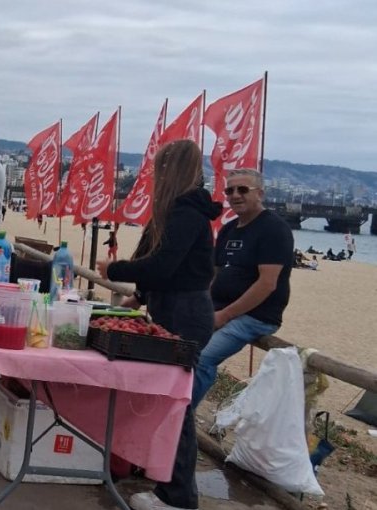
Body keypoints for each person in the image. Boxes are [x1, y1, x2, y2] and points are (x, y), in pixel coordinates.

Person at [96, 140, 222, 510]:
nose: (154, 177)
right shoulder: (177, 212)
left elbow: (164, 266)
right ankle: (165, 483)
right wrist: (143, 296)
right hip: (172, 306)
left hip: (187, 314)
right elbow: (166, 268)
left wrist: (114, 270)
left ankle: (179, 497)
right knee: (166, 402)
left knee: (176, 406)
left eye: (159, 170)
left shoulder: (186, 214)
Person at [192, 168, 294, 412]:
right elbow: (213, 275)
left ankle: (182, 419)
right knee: (180, 345)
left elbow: (267, 283)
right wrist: (202, 306)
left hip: (256, 316)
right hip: (218, 308)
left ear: (260, 193)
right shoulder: (228, 229)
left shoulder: (274, 229)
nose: (235, 195)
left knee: (203, 358)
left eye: (243, 189)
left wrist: (224, 315)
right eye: (230, 190)